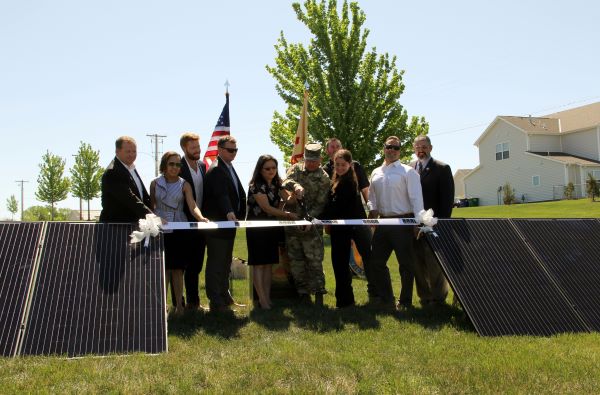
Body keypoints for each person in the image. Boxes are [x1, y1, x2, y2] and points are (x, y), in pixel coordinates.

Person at [367, 136, 424, 310]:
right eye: (388, 146)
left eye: (395, 148)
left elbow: (417, 199)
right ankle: (387, 298)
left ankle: (405, 301)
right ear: (383, 148)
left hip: (403, 222)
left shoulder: (408, 172)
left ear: (400, 151)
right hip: (382, 223)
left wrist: (418, 223)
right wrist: (372, 209)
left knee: (406, 264)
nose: (391, 150)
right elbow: (371, 197)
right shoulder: (376, 172)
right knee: (376, 262)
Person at [149, 151, 208, 314]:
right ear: (164, 165)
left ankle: (179, 308)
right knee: (163, 269)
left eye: (177, 164)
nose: (175, 167)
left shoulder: (185, 184)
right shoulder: (154, 183)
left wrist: (201, 218)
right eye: (171, 164)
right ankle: (162, 308)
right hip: (160, 229)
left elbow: (192, 205)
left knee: (178, 269)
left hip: (180, 229)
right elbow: (151, 207)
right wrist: (156, 219)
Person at [246, 155, 298, 309]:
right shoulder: (255, 185)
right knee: (259, 264)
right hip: (256, 228)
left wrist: (295, 190)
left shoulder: (277, 184)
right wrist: (288, 215)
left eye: (274, 168)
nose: (271, 171)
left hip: (272, 228)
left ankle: (267, 299)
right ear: (260, 170)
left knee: (268, 264)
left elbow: (289, 200)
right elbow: (266, 208)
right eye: (267, 168)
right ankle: (261, 300)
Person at [202, 136, 246, 313]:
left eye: (235, 150)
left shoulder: (228, 167)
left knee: (225, 262)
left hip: (229, 226)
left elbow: (236, 193)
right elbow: (222, 195)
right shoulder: (217, 169)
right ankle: (216, 302)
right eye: (230, 150)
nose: (233, 153)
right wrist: (229, 212)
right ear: (219, 150)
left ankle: (225, 297)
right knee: (216, 263)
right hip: (218, 226)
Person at [282, 143, 330, 306]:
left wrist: (309, 220)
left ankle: (318, 291)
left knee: (314, 260)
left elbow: (321, 204)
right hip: (293, 222)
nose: (310, 164)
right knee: (296, 259)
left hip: (312, 225)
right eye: (308, 160)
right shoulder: (296, 169)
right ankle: (302, 293)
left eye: (314, 161)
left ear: (320, 160)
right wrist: (295, 185)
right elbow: (284, 181)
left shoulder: (324, 178)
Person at [323, 149, 372, 308]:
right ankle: (345, 301)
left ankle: (349, 301)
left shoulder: (349, 182)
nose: (339, 167)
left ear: (350, 165)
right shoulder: (336, 180)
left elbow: (337, 207)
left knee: (343, 263)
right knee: (340, 265)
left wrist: (321, 218)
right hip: (340, 229)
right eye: (337, 164)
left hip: (350, 227)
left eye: (343, 164)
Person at [411, 135, 454, 306]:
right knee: (417, 263)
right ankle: (424, 297)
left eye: (424, 146)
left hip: (434, 225)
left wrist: (439, 223)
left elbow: (447, 200)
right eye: (417, 147)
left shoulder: (442, 168)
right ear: (414, 149)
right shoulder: (410, 168)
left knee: (434, 263)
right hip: (414, 225)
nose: (420, 149)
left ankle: (438, 298)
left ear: (430, 148)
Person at [178, 132, 208, 311]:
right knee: (181, 266)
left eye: (198, 147)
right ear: (184, 148)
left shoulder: (203, 166)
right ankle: (180, 303)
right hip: (182, 223)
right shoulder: (177, 166)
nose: (197, 150)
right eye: (193, 148)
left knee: (196, 265)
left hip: (201, 223)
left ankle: (193, 301)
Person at [100, 136, 152, 222]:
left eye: (134, 151)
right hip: (116, 228)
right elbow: (130, 199)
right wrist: (152, 217)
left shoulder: (131, 168)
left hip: (132, 226)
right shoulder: (113, 171)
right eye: (128, 151)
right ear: (117, 151)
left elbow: (143, 196)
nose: (132, 154)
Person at [323, 138, 370, 203]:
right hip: (334, 210)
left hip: (354, 208)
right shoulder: (325, 170)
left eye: (338, 146)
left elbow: (365, 189)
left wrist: (371, 209)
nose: (336, 149)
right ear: (327, 150)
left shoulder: (355, 165)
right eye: (332, 147)